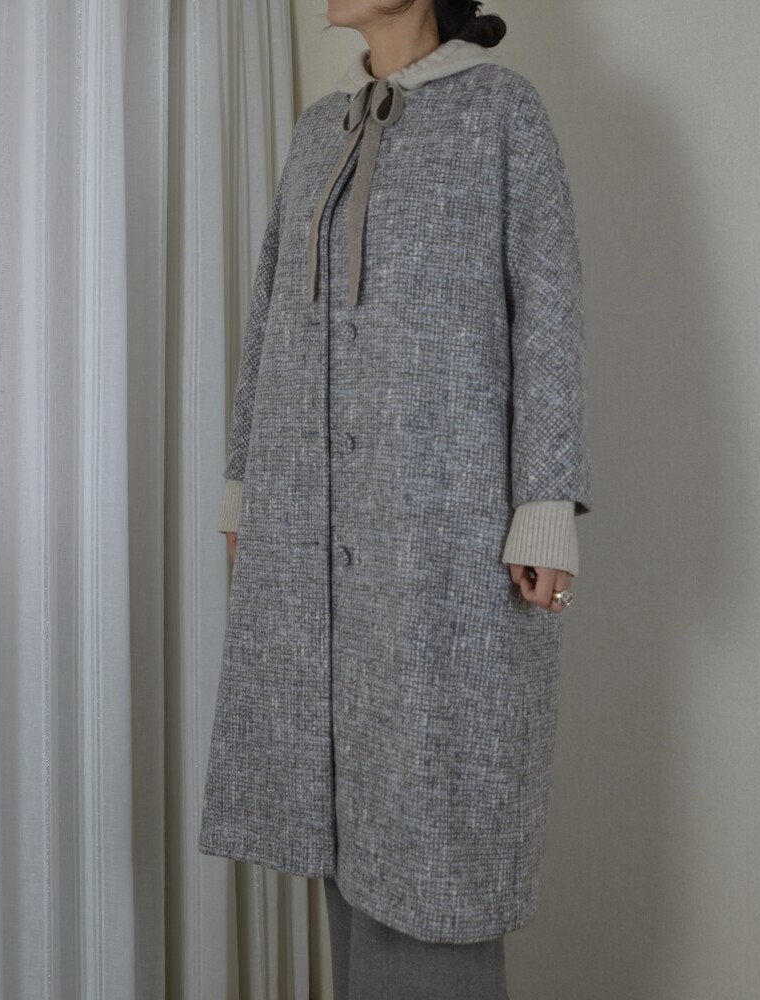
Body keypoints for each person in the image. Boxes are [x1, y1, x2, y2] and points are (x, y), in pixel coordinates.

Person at [199, 1, 593, 996]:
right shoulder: (316, 130)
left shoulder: (503, 113)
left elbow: (548, 309)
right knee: (344, 823)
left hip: (443, 533)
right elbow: (270, 317)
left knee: (433, 839)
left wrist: (546, 506)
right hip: (314, 528)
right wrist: (248, 492)